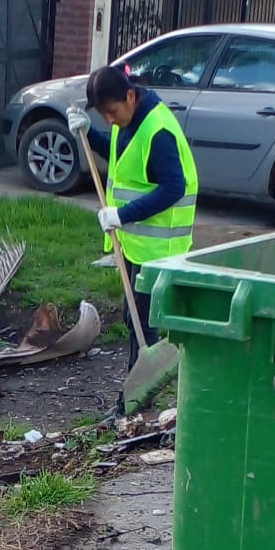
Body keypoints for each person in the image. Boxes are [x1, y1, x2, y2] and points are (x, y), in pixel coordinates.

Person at [68, 65, 198, 367]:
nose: (110, 120)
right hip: (136, 243)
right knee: (134, 318)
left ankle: (138, 396)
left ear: (130, 95)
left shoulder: (158, 131)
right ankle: (137, 388)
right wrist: (89, 133)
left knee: (143, 322)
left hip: (158, 247)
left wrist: (122, 215)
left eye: (112, 112)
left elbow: (174, 188)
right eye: (104, 116)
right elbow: (120, 156)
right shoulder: (129, 119)